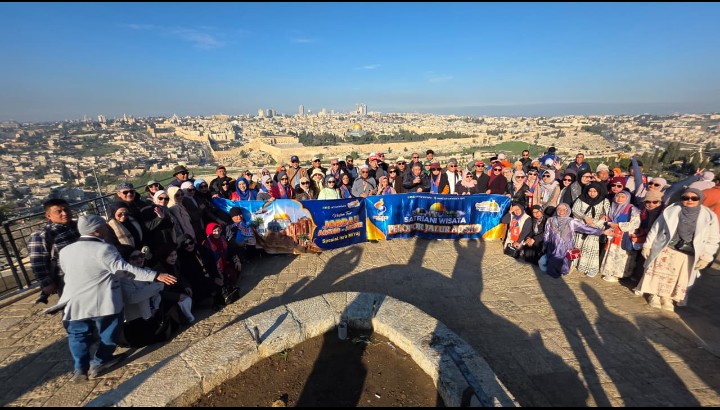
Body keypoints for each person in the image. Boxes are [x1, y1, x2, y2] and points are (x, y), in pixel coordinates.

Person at [53, 215, 177, 381]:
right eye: (104, 226)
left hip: (74, 301)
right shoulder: (105, 249)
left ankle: (80, 368)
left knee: (78, 334)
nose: (107, 228)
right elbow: (124, 269)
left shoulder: (66, 250)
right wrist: (155, 276)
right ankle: (100, 361)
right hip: (102, 300)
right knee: (109, 331)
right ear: (97, 230)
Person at [637, 188, 720, 311]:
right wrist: (647, 245)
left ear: (700, 199)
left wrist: (706, 256)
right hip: (667, 248)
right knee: (658, 274)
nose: (689, 200)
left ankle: (668, 298)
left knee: (678, 277)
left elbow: (713, 238)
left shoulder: (709, 216)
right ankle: (654, 295)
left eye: (694, 198)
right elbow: (656, 227)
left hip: (689, 252)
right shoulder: (672, 210)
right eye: (686, 198)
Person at [29, 199, 80, 304]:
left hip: (88, 272)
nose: (64, 213)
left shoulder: (79, 226)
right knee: (72, 307)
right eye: (58, 212)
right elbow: (38, 262)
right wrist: (46, 283)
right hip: (65, 278)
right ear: (48, 215)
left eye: (66, 210)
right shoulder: (42, 235)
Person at [543, 203, 613, 278]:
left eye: (564, 209)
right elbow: (547, 233)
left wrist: (602, 232)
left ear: (567, 211)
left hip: (566, 246)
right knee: (552, 260)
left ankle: (563, 272)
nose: (561, 211)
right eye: (559, 209)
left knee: (565, 261)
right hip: (553, 245)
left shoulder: (571, 221)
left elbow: (585, 228)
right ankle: (552, 272)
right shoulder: (550, 220)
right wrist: (545, 244)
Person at [599, 189, 641, 283]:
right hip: (613, 234)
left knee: (621, 255)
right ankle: (609, 272)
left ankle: (618, 274)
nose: (619, 198)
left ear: (628, 198)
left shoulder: (632, 209)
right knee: (612, 253)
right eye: (618, 196)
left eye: (623, 197)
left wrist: (618, 225)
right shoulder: (613, 207)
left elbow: (635, 224)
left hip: (623, 236)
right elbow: (611, 219)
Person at [570, 182, 610, 278]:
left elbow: (606, 215)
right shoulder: (581, 198)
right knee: (577, 245)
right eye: (590, 191)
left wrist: (594, 224)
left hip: (595, 227)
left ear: (599, 191)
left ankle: (591, 268)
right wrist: (585, 218)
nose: (592, 193)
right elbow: (575, 210)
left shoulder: (604, 201)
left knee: (591, 248)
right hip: (581, 226)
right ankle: (574, 264)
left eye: (594, 191)